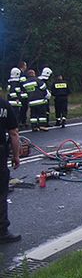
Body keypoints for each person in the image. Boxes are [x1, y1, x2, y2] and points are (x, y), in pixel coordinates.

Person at [0, 97, 21, 243]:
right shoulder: (3, 104)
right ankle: (2, 232)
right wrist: (16, 155)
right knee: (1, 193)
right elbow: (13, 133)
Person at [17, 61, 29, 127]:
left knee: (23, 108)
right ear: (23, 66)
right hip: (23, 94)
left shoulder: (20, 73)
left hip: (21, 94)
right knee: (23, 108)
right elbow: (23, 84)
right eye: (25, 65)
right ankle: (22, 121)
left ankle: (22, 121)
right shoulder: (22, 74)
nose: (26, 67)